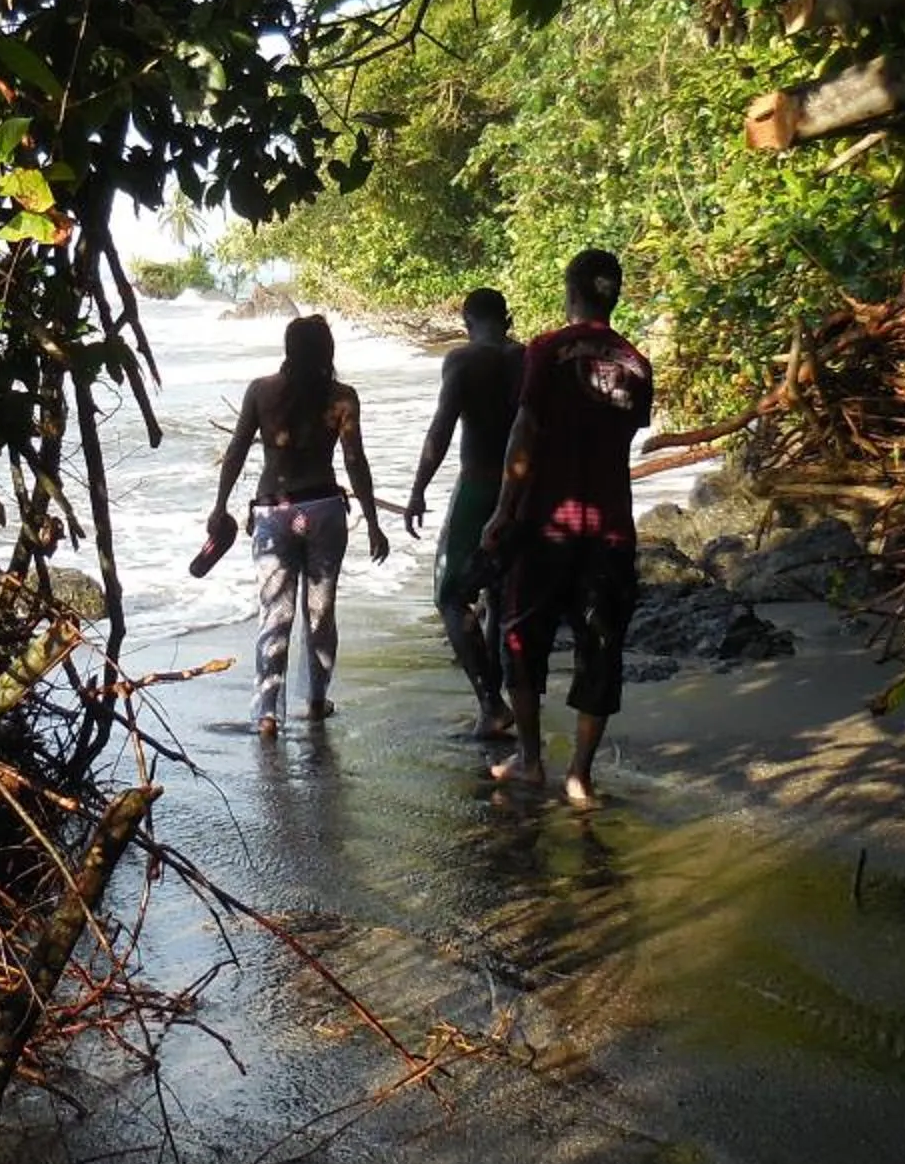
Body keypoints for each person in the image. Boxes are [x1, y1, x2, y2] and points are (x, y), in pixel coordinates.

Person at [482, 249, 653, 805]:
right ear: (614, 296)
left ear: (571, 291)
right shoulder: (637, 364)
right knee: (599, 646)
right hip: (610, 529)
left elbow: (524, 432)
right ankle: (580, 774)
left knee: (521, 638)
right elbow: (621, 435)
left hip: (545, 524)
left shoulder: (546, 351)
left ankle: (531, 761)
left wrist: (503, 509)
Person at [206, 314, 390, 737]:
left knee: (276, 612)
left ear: (288, 350)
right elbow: (355, 460)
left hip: (273, 511)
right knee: (320, 612)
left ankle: (268, 714)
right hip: (324, 509)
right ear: (328, 351)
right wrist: (373, 521)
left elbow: (236, 451)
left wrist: (220, 506)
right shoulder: (342, 397)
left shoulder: (261, 391)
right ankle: (316, 700)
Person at [406, 286, 524, 739]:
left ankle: (490, 703)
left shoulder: (463, 360)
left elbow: (441, 428)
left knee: (451, 596)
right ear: (507, 319)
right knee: (499, 593)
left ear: (466, 322)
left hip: (478, 488)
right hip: (522, 490)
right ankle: (503, 700)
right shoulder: (527, 358)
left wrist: (418, 489)